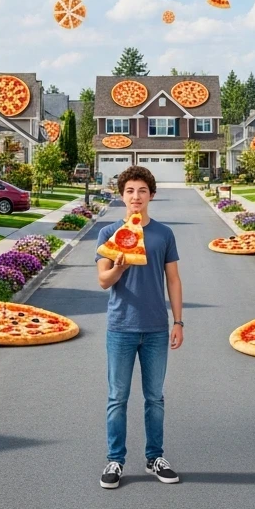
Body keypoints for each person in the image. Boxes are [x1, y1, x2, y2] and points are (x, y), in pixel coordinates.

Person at [96, 166, 183, 489]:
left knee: (155, 398)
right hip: (120, 327)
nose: (136, 196)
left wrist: (178, 322)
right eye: (130, 191)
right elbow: (103, 281)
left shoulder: (163, 234)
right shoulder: (108, 234)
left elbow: (173, 280)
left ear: (151, 195)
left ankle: (154, 458)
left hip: (157, 329)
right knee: (117, 397)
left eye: (142, 191)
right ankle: (115, 460)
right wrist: (117, 267)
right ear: (122, 196)